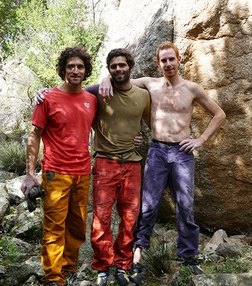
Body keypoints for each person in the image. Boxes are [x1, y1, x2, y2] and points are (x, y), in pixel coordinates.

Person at [99, 41, 226, 283]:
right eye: (163, 60)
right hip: (157, 152)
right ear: (158, 63)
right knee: (147, 207)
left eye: (171, 59)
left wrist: (201, 139)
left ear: (179, 61)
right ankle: (137, 255)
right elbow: (120, 79)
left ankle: (189, 256)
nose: (168, 64)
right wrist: (106, 78)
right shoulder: (149, 84)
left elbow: (219, 114)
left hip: (181, 153)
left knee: (185, 206)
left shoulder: (192, 89)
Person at [36, 48, 150, 286]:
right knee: (99, 220)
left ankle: (120, 264)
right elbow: (66, 96)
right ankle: (90, 269)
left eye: (122, 65)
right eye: (113, 67)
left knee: (126, 218)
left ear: (130, 66)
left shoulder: (139, 95)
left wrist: (140, 137)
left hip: (123, 166)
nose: (118, 69)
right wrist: (41, 93)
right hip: (96, 165)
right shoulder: (95, 93)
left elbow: (147, 118)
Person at [20, 46, 98, 286]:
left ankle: (69, 269)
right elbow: (34, 136)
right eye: (71, 66)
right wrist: (30, 174)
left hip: (83, 173)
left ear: (86, 71)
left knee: (77, 226)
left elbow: (101, 129)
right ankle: (53, 278)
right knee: (54, 228)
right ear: (63, 69)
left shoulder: (91, 100)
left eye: (80, 67)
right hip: (56, 173)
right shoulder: (47, 99)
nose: (75, 70)